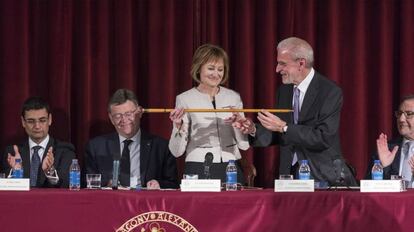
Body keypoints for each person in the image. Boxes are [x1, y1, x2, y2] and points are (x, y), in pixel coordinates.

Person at [233, 37, 356, 186]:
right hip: (289, 174)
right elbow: (279, 134)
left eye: (282, 64)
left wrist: (284, 127)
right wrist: (252, 129)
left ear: (301, 63)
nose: (277, 69)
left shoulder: (329, 91)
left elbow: (323, 137)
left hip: (322, 175)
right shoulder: (284, 91)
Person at [168, 44, 249, 183]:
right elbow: (176, 151)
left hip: (230, 165)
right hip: (197, 165)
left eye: (220, 69)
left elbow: (244, 145)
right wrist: (178, 126)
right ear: (198, 69)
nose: (216, 74)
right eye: (211, 68)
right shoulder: (184, 99)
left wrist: (240, 125)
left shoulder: (233, 97)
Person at [84, 88, 178, 189]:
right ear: (111, 118)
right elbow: (86, 183)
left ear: (140, 113)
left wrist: (159, 184)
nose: (124, 120)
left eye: (129, 114)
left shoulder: (161, 147)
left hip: (147, 202)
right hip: (110, 202)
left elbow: (173, 183)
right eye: (118, 116)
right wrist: (106, 184)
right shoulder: (96, 147)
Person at [1, 96, 76, 188]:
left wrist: (50, 171)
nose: (37, 126)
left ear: (50, 120)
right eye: (31, 121)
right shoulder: (12, 152)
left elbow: (67, 185)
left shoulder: (65, 151)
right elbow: (5, 188)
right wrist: (16, 172)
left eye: (42, 120)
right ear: (23, 122)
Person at [366, 95, 414, 184]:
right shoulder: (387, 148)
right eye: (399, 114)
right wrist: (383, 167)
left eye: (409, 114)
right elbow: (368, 187)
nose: (401, 119)